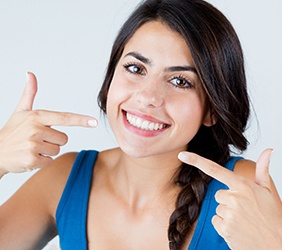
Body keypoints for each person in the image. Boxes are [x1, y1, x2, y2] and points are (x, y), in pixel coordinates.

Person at [0, 0, 281, 249]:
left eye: (180, 81)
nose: (148, 97)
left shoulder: (242, 190)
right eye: (136, 68)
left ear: (213, 109)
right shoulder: (63, 179)